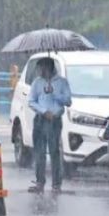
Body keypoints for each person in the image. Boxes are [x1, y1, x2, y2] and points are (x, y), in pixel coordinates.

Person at [28, 57, 72, 194]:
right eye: (39, 69)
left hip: (55, 121)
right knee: (39, 152)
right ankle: (40, 182)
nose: (41, 71)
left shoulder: (62, 82)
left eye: (43, 68)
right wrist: (43, 111)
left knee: (54, 152)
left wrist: (55, 93)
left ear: (50, 68)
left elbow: (68, 101)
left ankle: (56, 184)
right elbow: (31, 101)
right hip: (40, 119)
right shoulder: (37, 83)